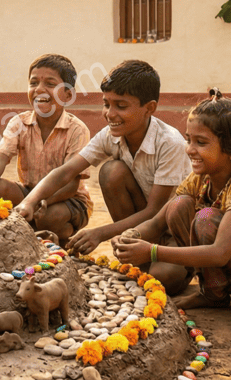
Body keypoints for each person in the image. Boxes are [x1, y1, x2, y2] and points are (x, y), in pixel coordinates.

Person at [112, 90, 231, 332]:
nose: (190, 149)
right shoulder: (201, 178)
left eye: (201, 143)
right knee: (178, 206)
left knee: (206, 219)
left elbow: (220, 253)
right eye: (189, 140)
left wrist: (151, 252)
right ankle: (213, 294)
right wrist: (130, 238)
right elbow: (158, 222)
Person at [15, 60, 190, 282]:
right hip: (143, 225)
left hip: (173, 227)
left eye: (121, 106)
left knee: (164, 278)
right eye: (106, 104)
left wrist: (100, 233)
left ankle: (171, 260)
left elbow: (155, 211)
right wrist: (28, 202)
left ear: (149, 108)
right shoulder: (110, 135)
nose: (109, 114)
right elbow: (66, 171)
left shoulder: (169, 143)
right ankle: (139, 255)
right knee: (111, 171)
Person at [0, 54, 93, 246]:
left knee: (49, 217)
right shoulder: (18, 122)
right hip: (28, 191)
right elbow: (0, 157)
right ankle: (34, 228)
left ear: (68, 95)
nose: (39, 89)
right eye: (33, 83)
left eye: (50, 84)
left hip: (67, 199)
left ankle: (61, 233)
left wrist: (38, 201)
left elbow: (71, 185)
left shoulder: (77, 130)